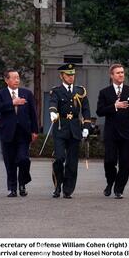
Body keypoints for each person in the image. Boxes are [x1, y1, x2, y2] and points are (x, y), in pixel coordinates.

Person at [96, 64, 129, 199]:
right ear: (112, 75)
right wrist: (114, 106)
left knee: (125, 162)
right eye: (118, 73)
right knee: (109, 161)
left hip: (127, 133)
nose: (121, 75)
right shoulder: (104, 92)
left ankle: (119, 188)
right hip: (111, 133)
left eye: (122, 72)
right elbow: (99, 111)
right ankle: (110, 182)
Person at [49, 63, 91, 199]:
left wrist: (86, 127)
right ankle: (57, 185)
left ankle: (68, 189)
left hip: (75, 129)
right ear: (61, 76)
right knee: (59, 158)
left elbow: (86, 110)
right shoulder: (56, 91)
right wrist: (53, 113)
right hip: (60, 127)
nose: (71, 77)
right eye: (68, 75)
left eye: (73, 74)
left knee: (72, 162)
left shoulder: (80, 91)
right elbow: (53, 103)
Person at [0, 69, 38, 197]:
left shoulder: (27, 93)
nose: (17, 80)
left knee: (23, 159)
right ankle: (12, 188)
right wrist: (12, 103)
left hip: (24, 133)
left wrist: (35, 130)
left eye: (18, 77)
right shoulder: (0, 94)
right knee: (10, 162)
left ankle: (22, 183)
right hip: (7, 132)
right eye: (14, 78)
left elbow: (33, 114)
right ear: (6, 80)